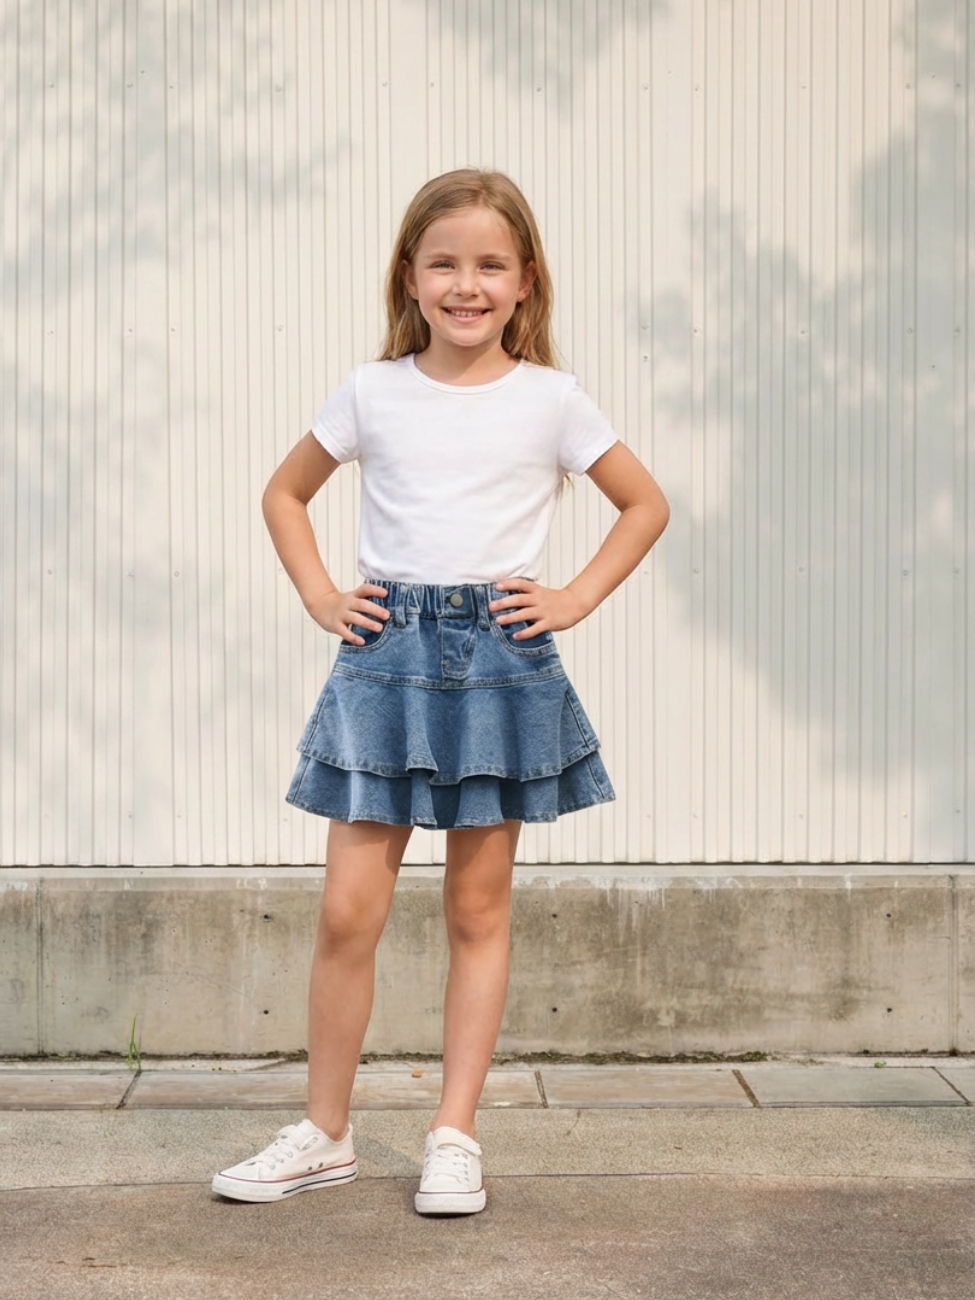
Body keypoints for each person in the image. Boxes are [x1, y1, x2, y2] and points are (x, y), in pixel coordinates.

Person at [212, 168, 669, 1215]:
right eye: (445, 263)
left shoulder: (553, 400)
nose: (468, 284)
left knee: (476, 905)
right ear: (411, 277)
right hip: (382, 663)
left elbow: (644, 504)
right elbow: (285, 492)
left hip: (498, 664)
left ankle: (453, 1132)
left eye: (490, 265)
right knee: (347, 909)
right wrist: (324, 591)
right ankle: (324, 1131)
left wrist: (572, 597)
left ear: (524, 282)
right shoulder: (373, 391)